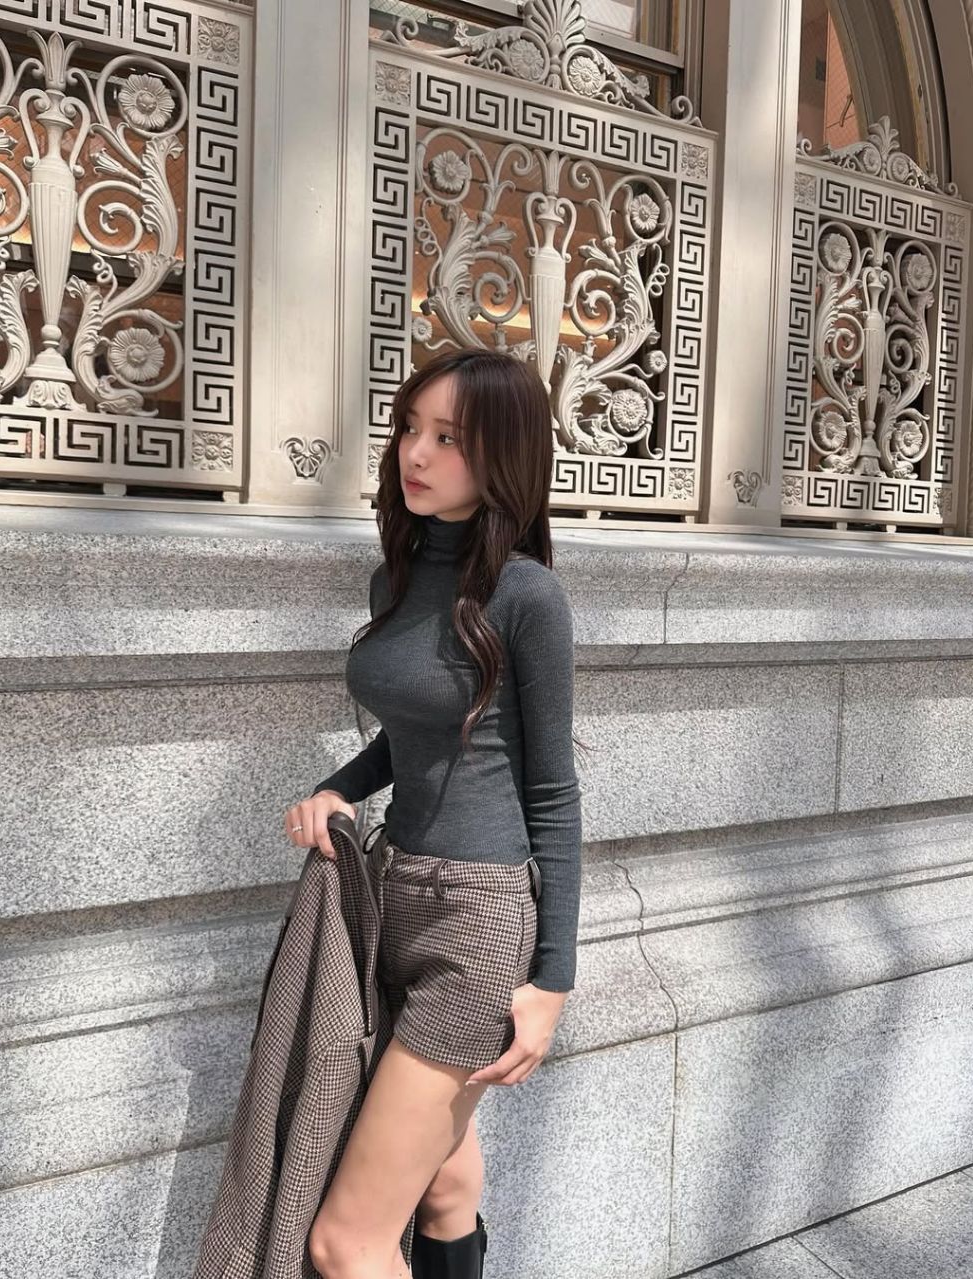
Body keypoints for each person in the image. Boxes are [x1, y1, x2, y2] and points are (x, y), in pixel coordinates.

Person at [285, 347, 583, 1279]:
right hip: (393, 895)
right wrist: (339, 786)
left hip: (477, 919)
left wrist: (552, 981)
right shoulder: (398, 579)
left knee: (346, 1243)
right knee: (443, 1186)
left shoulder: (528, 596)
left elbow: (554, 791)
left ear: (504, 454)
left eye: (449, 438)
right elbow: (412, 734)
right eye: (412, 428)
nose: (416, 453)